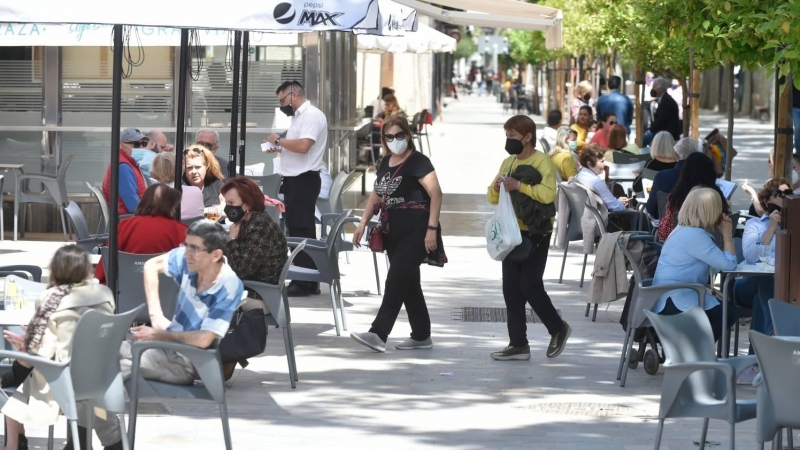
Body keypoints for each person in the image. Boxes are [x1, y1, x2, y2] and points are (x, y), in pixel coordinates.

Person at [91, 221, 244, 446]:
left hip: (186, 361)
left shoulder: (228, 285)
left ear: (216, 255)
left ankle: (110, 443)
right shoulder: (190, 260)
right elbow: (152, 265)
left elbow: (203, 340)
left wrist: (159, 335)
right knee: (91, 357)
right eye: (186, 246)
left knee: (97, 375)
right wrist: (155, 315)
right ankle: (90, 440)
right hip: (161, 349)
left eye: (194, 249)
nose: (186, 253)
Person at [2, 245, 118, 450]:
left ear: (55, 269)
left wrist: (27, 346)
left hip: (62, 380)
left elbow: (43, 353)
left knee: (12, 395)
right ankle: (91, 442)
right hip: (101, 376)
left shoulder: (50, 298)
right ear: (85, 270)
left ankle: (15, 445)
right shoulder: (104, 294)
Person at [349, 115, 444, 353]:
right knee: (409, 284)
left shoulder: (418, 161)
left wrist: (431, 229)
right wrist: (362, 223)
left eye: (399, 135)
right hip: (393, 231)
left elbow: (436, 194)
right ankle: (422, 336)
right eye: (389, 137)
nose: (394, 140)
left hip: (417, 230)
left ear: (408, 135)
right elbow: (377, 194)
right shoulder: (385, 162)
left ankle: (378, 333)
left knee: (395, 280)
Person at [484, 114, 569, 361]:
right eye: (507, 136)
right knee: (511, 289)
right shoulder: (507, 162)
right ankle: (518, 344)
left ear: (527, 136)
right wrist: (498, 187)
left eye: (512, 136)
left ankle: (558, 328)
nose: (508, 140)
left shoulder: (543, 162)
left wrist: (519, 187)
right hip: (511, 232)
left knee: (530, 285)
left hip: (535, 231)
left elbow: (548, 195)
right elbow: (490, 197)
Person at [265, 80, 327, 297]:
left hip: (303, 179)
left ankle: (303, 280)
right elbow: (297, 147)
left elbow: (303, 146)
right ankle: (308, 278)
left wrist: (280, 141)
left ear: (293, 95)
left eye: (282, 100)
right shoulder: (299, 117)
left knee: (301, 230)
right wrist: (279, 147)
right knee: (301, 229)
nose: (282, 105)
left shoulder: (311, 115)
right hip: (296, 178)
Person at [652, 187, 737, 343]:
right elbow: (729, 265)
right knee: (728, 313)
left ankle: (691, 348)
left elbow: (716, 266)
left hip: (665, 297)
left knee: (725, 310)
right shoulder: (696, 236)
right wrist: (727, 236)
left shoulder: (682, 229)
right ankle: (695, 351)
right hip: (677, 301)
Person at [733, 178, 788, 383]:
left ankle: (755, 362)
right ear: (767, 201)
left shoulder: (794, 228)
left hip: (776, 287)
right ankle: (771, 347)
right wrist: (772, 227)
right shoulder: (755, 224)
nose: (783, 202)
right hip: (745, 284)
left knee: (762, 296)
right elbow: (751, 256)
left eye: (787, 195)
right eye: (778, 196)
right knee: (764, 284)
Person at [94, 184, 188, 284]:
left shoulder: (125, 226)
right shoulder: (182, 231)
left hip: (124, 292)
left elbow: (106, 263)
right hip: (169, 295)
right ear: (170, 206)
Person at [221, 176, 288, 298]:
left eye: (231, 203)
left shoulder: (260, 226)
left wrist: (232, 240)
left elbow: (242, 271)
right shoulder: (250, 221)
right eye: (226, 203)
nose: (227, 208)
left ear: (247, 204)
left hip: (259, 292)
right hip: (251, 286)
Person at [656, 153, 730, 242]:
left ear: (684, 172)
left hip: (681, 248)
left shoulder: (676, 196)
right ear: (711, 172)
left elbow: (664, 233)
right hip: (714, 246)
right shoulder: (716, 197)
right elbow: (728, 225)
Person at [646, 135, 699, 219]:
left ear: (676, 155)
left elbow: (651, 208)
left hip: (667, 226)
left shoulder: (662, 176)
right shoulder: (704, 178)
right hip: (697, 225)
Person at [103, 127, 149, 215]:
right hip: (128, 220)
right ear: (123, 147)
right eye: (136, 144)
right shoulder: (123, 167)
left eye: (144, 144)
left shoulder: (129, 163)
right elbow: (133, 205)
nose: (141, 147)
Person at [149, 152, 204, 220]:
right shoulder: (196, 191)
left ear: (155, 170)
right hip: (193, 229)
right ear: (180, 168)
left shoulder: (153, 195)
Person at [576, 143, 629, 212]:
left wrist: (617, 201)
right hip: (599, 219)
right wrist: (621, 204)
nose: (604, 164)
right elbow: (616, 208)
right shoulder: (596, 182)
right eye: (602, 161)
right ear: (590, 164)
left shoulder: (578, 176)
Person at [182, 145, 225, 210]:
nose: (193, 171)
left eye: (198, 167)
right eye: (189, 168)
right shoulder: (179, 187)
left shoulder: (217, 185)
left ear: (206, 167)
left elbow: (226, 210)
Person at [643, 77, 682, 145]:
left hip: (667, 135)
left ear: (660, 88)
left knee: (643, 140)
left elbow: (661, 120)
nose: (652, 89)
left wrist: (650, 129)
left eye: (654, 87)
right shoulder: (664, 99)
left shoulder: (667, 101)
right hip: (663, 133)